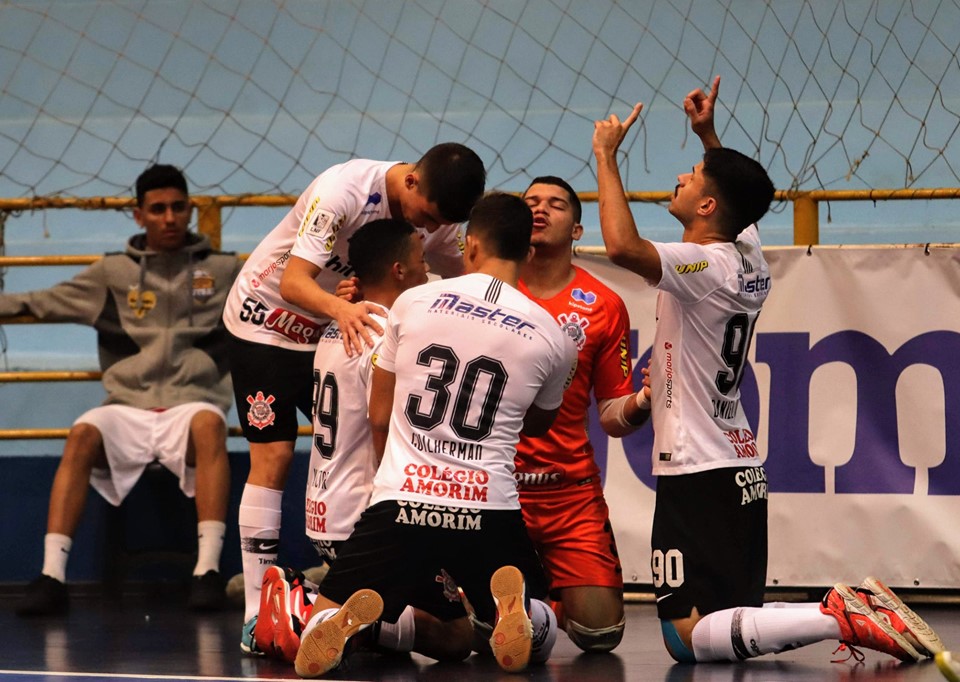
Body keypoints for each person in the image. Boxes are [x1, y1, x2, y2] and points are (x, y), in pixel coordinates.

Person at [592, 76, 945, 664]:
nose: (681, 177)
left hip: (697, 470)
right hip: (739, 467)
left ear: (706, 207)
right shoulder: (747, 251)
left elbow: (625, 248)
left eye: (693, 177)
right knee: (731, 620)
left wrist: (606, 157)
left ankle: (836, 614)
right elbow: (738, 197)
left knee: (684, 635)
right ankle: (842, 610)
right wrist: (708, 137)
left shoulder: (701, 263)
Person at [290, 192, 578, 677]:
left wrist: (393, 480)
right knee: (537, 629)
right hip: (488, 506)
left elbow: (380, 414)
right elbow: (538, 425)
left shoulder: (413, 302)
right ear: (528, 252)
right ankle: (509, 606)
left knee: (320, 613)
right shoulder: (553, 334)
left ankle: (350, 620)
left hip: (404, 498)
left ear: (470, 245)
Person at [222, 143, 485, 650]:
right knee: (273, 455)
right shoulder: (341, 190)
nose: (429, 233)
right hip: (270, 322)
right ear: (411, 183)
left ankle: (340, 584)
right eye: (425, 218)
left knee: (361, 430)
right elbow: (296, 282)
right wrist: (341, 309)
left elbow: (466, 280)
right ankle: (261, 611)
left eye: (439, 225)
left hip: (337, 329)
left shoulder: (439, 222)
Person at [2, 164, 241, 615]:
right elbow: (36, 303)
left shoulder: (225, 270)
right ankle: (52, 576)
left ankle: (206, 571)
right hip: (126, 407)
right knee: (81, 434)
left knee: (212, 424)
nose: (169, 217)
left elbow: (281, 301)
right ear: (138, 215)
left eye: (177, 207)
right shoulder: (110, 274)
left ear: (190, 209)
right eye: (157, 209)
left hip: (192, 405)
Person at [253, 218, 431, 663]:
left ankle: (318, 601)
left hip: (324, 512)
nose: (428, 269)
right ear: (399, 270)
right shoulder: (386, 333)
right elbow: (381, 424)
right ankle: (309, 612)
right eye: (422, 260)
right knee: (456, 636)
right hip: (363, 517)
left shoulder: (338, 323)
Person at [509, 175, 650, 654]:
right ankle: (523, 603)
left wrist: (642, 404)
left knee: (600, 635)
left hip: (570, 495)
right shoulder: (487, 292)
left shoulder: (605, 306)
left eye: (555, 204)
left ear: (577, 231)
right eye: (530, 203)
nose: (540, 209)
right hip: (494, 491)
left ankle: (539, 603)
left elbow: (612, 414)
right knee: (472, 634)